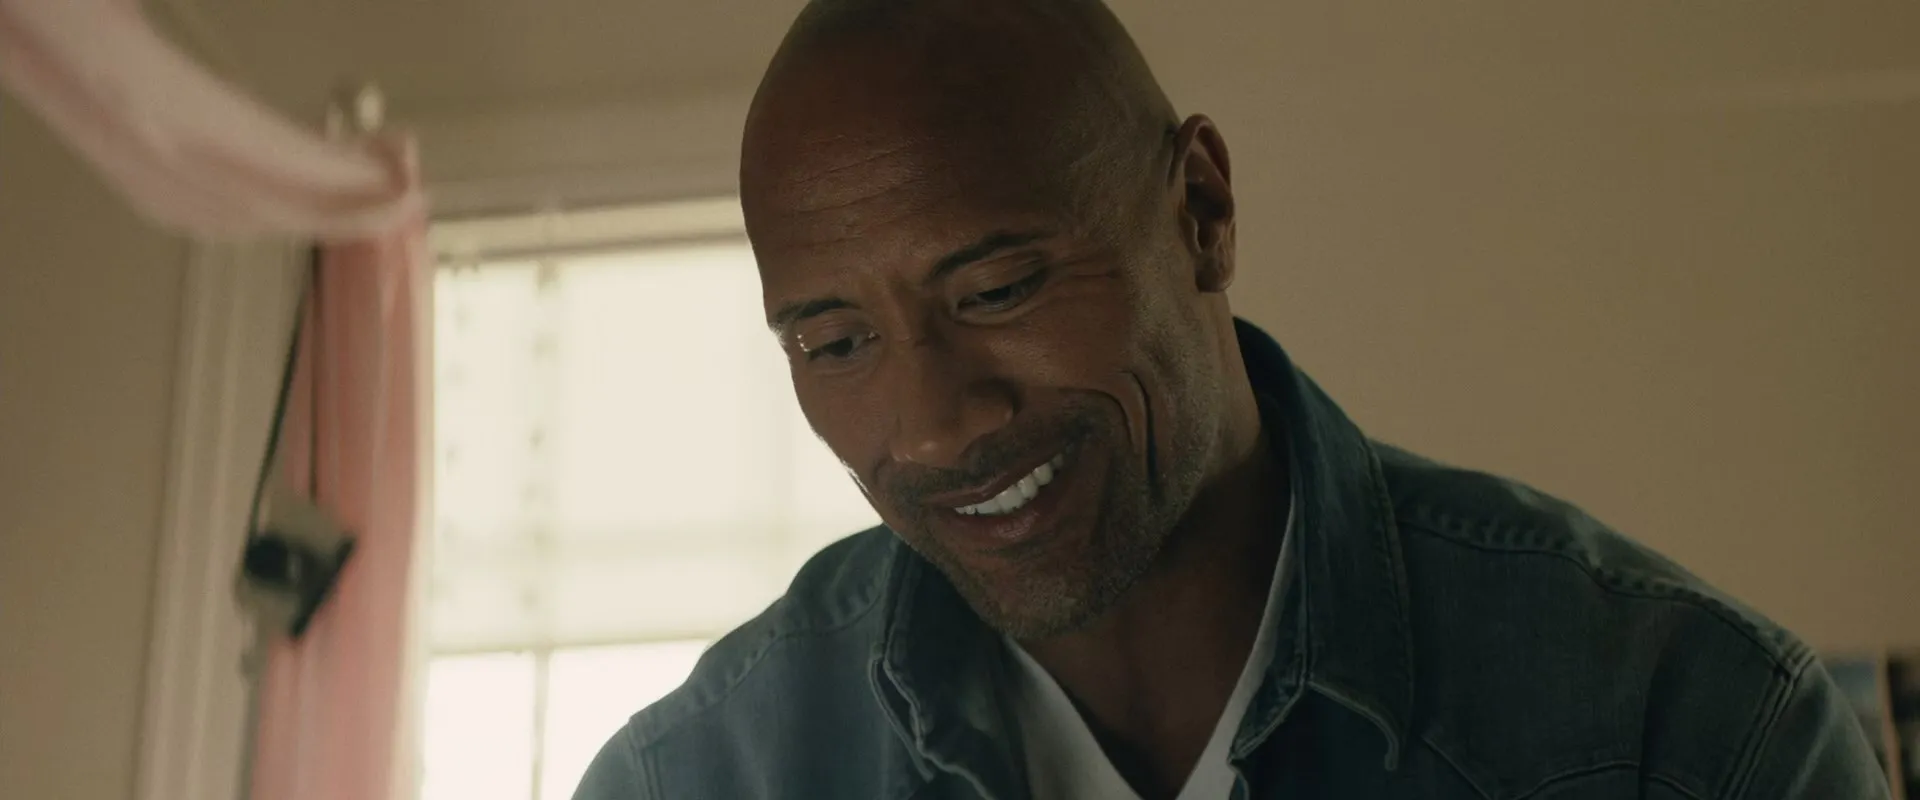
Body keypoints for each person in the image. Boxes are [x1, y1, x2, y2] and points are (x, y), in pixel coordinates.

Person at [573, 1, 1889, 797]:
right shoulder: (692, 781)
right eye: (835, 342)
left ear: (1200, 211)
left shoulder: (1684, 731)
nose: (929, 422)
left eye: (999, 288)